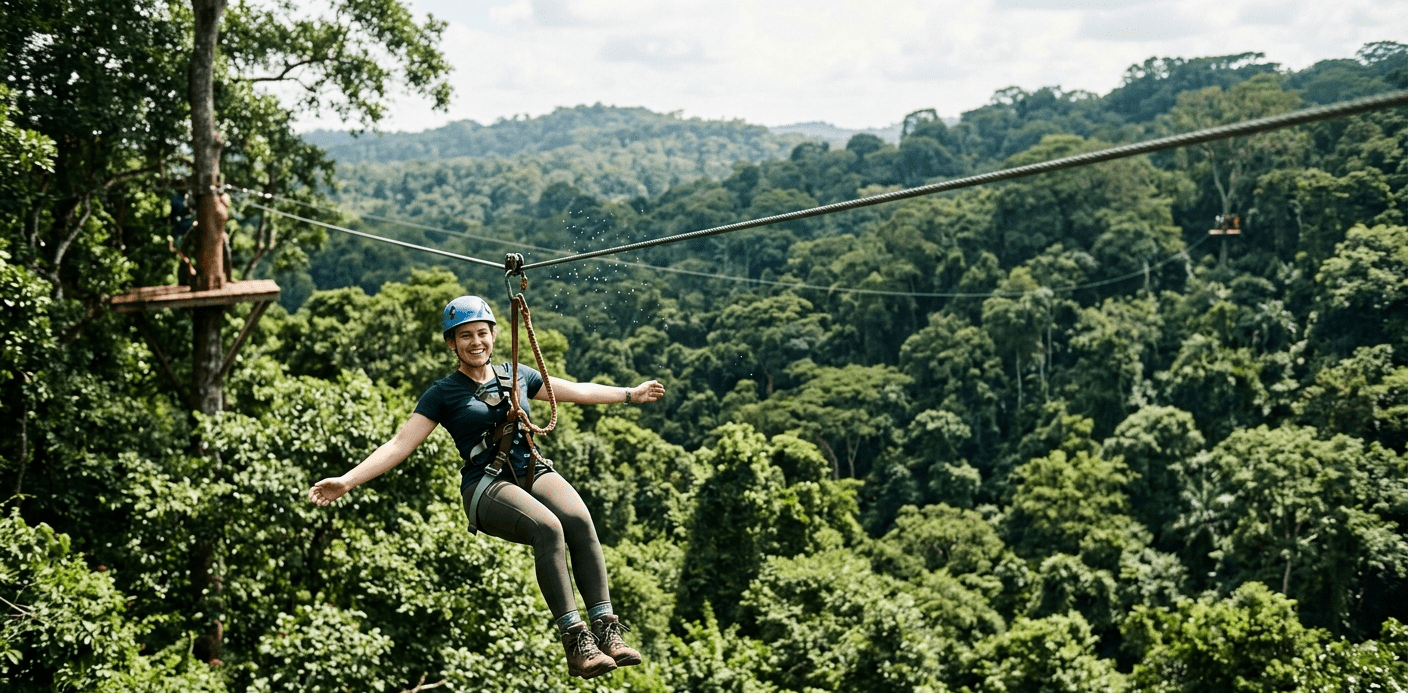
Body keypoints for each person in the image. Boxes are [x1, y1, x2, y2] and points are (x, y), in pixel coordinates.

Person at [307, 295, 665, 679]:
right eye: (465, 336)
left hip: (531, 469)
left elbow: (576, 390)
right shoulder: (443, 393)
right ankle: (576, 641)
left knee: (578, 519)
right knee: (549, 528)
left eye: (482, 333)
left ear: (494, 336)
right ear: (451, 343)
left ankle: (606, 630)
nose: (475, 342)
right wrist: (346, 480)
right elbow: (400, 444)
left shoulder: (518, 375)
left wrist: (631, 394)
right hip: (487, 485)